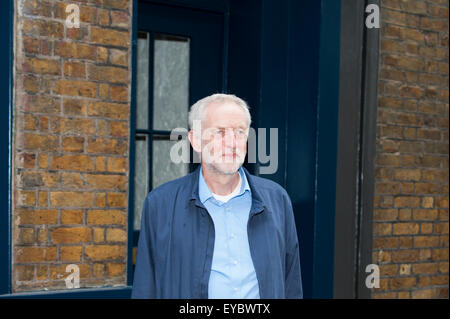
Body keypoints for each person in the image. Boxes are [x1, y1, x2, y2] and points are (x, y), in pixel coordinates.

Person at [132, 93, 303, 299]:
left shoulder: (277, 199)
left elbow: (291, 282)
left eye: (240, 132)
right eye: (220, 132)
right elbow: (145, 286)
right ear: (195, 140)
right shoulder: (161, 204)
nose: (231, 142)